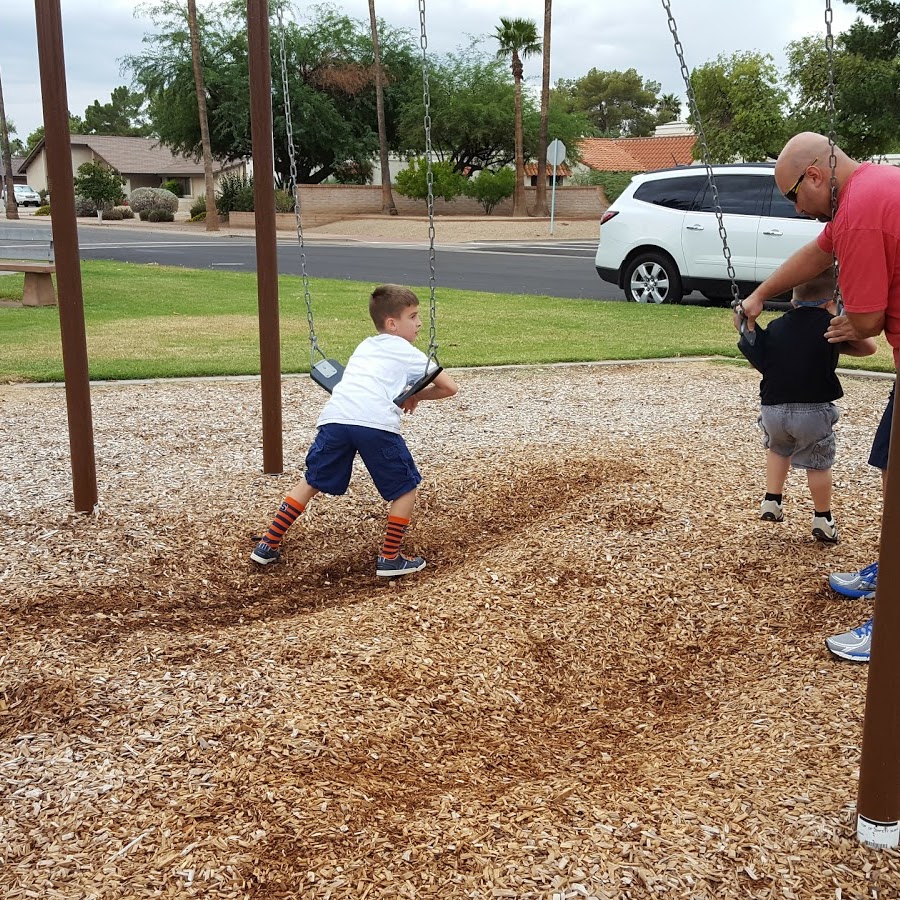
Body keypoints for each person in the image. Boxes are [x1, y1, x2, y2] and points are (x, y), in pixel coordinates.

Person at [740, 131, 900, 663]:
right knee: (889, 466)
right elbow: (817, 253)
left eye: (793, 196)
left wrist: (835, 322)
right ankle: (890, 569)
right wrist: (763, 293)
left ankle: (894, 625)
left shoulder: (859, 212)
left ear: (814, 174)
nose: (800, 210)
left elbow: (868, 321)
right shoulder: (871, 187)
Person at [250, 284, 458, 577]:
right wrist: (415, 394)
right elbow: (449, 388)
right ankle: (390, 558)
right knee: (405, 488)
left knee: (312, 479)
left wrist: (406, 391)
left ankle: (267, 544)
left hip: (335, 418)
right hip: (375, 423)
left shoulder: (365, 345)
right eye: (413, 316)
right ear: (392, 323)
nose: (419, 323)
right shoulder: (409, 353)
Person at [736, 267, 877, 543]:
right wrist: (842, 327)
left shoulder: (776, 326)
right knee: (818, 463)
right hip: (812, 412)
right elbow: (868, 348)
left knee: (778, 449)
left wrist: (746, 323)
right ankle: (823, 519)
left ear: (793, 301)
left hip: (773, 409)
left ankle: (772, 500)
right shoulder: (832, 325)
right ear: (831, 302)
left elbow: (759, 358)